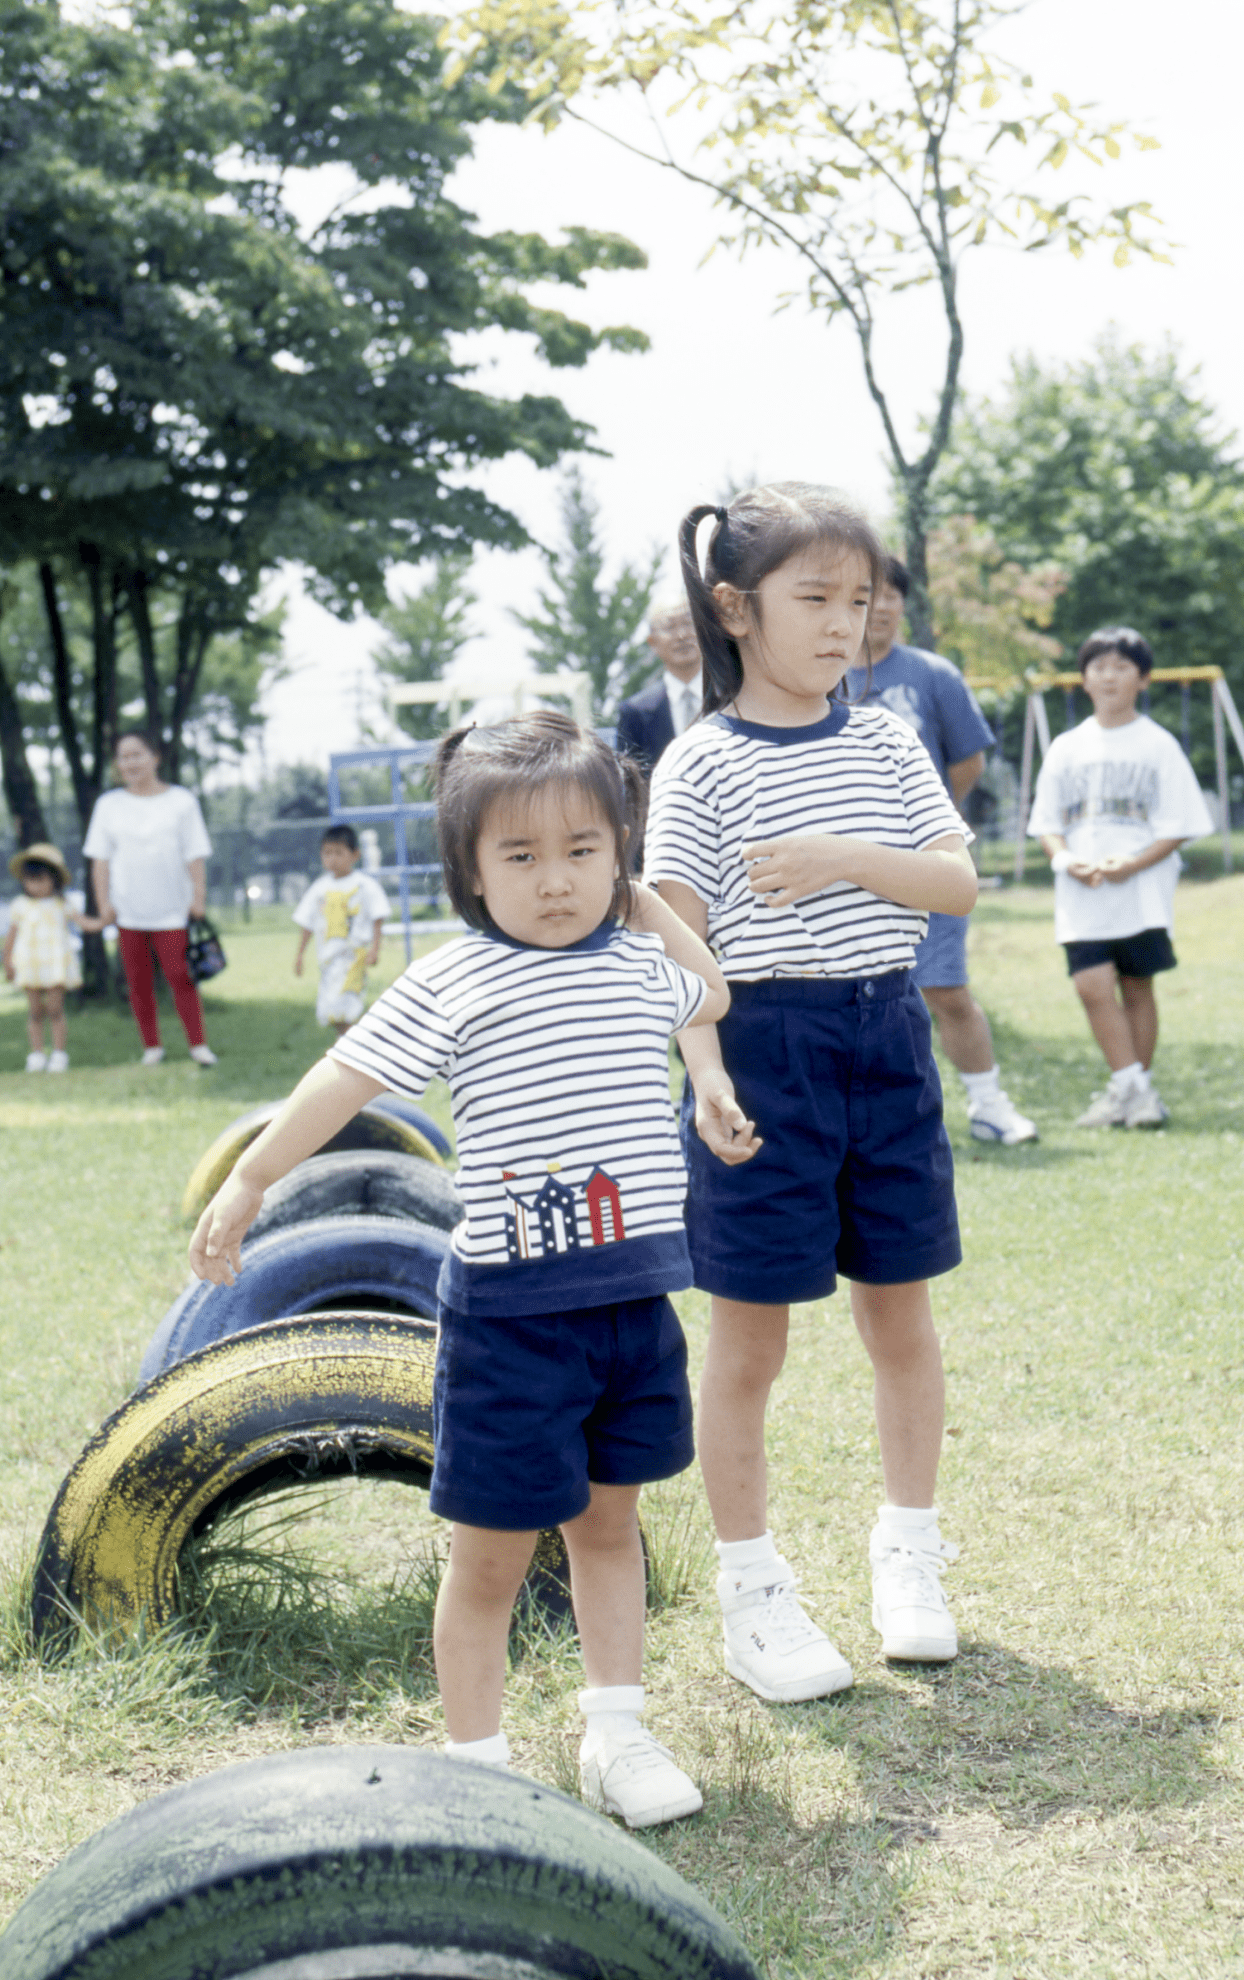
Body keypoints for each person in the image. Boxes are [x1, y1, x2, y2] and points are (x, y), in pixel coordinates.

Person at [189, 713, 734, 1830]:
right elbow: (342, 1081)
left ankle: (616, 1735)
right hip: (510, 1328)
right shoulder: (454, 980)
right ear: (470, 871)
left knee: (608, 1528)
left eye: (583, 850)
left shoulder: (641, 967)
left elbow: (714, 993)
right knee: (491, 1556)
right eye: (520, 856)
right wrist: (249, 1179)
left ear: (619, 856)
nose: (555, 881)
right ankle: (474, 1771)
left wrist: (640, 899)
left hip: (634, 1308)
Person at [644, 482, 978, 1700]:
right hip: (761, 1052)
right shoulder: (696, 763)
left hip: (884, 1039)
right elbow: (679, 947)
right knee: (749, 1340)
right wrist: (706, 1079)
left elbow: (953, 884)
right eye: (815, 599)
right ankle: (752, 1592)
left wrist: (840, 858)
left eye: (860, 599)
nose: (845, 623)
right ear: (735, 608)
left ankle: (909, 1554)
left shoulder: (885, 740)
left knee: (900, 1317)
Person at [844, 557, 1036, 1145]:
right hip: (839, 870)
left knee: (945, 988)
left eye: (891, 595)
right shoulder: (817, 675)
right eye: (866, 595)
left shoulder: (932, 674)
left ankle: (989, 1104)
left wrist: (923, 823)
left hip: (928, 866)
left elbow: (968, 761)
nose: (879, 607)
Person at [1028, 627, 1212, 1128]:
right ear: (1084, 678)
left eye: (1121, 666)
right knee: (1091, 986)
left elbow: (1180, 825)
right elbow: (1046, 824)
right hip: (1081, 893)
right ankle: (1135, 1091)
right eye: (1098, 666)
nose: (1108, 676)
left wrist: (1132, 864)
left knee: (1136, 987)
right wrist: (1067, 861)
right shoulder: (1066, 747)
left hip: (1140, 892)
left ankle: (1131, 1096)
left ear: (1143, 679)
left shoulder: (1158, 745)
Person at [83, 729, 218, 1067]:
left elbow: (195, 853)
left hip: (173, 910)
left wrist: (198, 897)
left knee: (181, 977)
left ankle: (198, 1045)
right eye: (123, 757)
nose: (130, 763)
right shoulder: (108, 805)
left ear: (155, 758)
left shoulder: (182, 801)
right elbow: (100, 860)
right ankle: (152, 1048)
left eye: (137, 755)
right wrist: (104, 904)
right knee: (137, 982)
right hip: (128, 910)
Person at [2, 844, 101, 1072]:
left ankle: (58, 1054)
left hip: (56, 965)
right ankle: (36, 1054)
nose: (36, 885)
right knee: (35, 1011)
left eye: (41, 879)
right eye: (31, 880)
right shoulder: (20, 906)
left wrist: (104, 921)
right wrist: (7, 962)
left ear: (54, 879)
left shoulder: (62, 904)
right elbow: (11, 938)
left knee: (56, 1009)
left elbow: (84, 923)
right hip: (30, 965)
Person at [292, 825, 390, 1034]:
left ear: (355, 855)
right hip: (328, 960)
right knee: (331, 1011)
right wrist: (300, 955)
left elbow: (378, 916)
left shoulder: (364, 885)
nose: (332, 859)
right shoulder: (320, 888)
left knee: (345, 1007)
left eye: (339, 853)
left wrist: (375, 949)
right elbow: (307, 923)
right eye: (327, 853)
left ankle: (351, 1044)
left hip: (353, 959)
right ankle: (350, 1042)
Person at [614, 599, 704, 779]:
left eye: (688, 623)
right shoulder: (634, 712)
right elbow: (632, 784)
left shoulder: (734, 696)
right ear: (652, 642)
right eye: (669, 627)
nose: (681, 635)